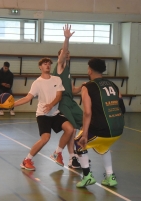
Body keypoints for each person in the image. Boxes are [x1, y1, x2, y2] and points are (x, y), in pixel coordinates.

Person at [14, 57, 73, 171]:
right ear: (40, 67)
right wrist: (13, 104)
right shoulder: (37, 83)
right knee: (45, 138)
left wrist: (51, 105)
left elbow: (59, 96)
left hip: (55, 113)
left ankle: (57, 153)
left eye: (49, 64)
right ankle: (27, 160)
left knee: (70, 129)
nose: (47, 65)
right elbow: (28, 97)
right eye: (45, 64)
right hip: (43, 115)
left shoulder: (57, 79)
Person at [74, 58, 126, 188]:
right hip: (118, 129)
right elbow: (122, 106)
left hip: (102, 129)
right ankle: (110, 176)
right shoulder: (113, 85)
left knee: (79, 142)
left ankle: (87, 176)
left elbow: (87, 113)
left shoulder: (87, 87)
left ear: (89, 70)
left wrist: (85, 133)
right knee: (103, 146)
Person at [52, 24, 83, 169]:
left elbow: (73, 90)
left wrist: (83, 87)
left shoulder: (68, 70)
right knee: (73, 129)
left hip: (71, 101)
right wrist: (66, 38)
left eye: (68, 53)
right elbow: (63, 53)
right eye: (65, 53)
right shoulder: (59, 66)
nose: (67, 54)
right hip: (63, 102)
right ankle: (72, 157)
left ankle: (76, 154)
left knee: (85, 122)